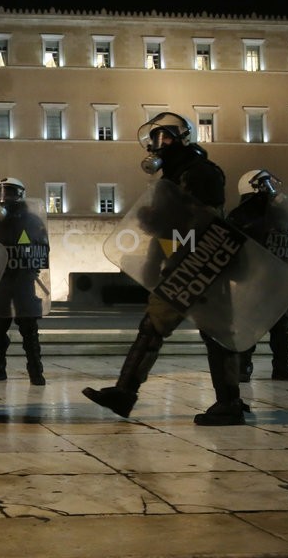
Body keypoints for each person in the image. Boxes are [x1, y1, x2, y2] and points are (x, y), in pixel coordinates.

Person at [82, 112, 246, 426]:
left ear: (183, 138)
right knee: (156, 326)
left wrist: (156, 217)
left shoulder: (201, 172)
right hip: (188, 262)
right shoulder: (176, 175)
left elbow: (202, 220)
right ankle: (125, 393)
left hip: (204, 262)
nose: (159, 145)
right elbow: (172, 227)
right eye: (155, 138)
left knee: (214, 332)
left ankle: (229, 402)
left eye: (166, 137)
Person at [228, 169, 288, 383]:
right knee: (250, 324)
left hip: (277, 277)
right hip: (253, 278)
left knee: (281, 324)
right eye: (264, 184)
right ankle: (244, 366)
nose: (271, 189)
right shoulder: (240, 216)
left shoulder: (278, 213)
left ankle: (282, 366)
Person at [0, 177, 48, 386]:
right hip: (1, 281)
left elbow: (43, 248)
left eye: (9, 192)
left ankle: (36, 371)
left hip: (23, 280)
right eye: (2, 192)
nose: (5, 197)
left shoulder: (32, 221)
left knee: (28, 328)